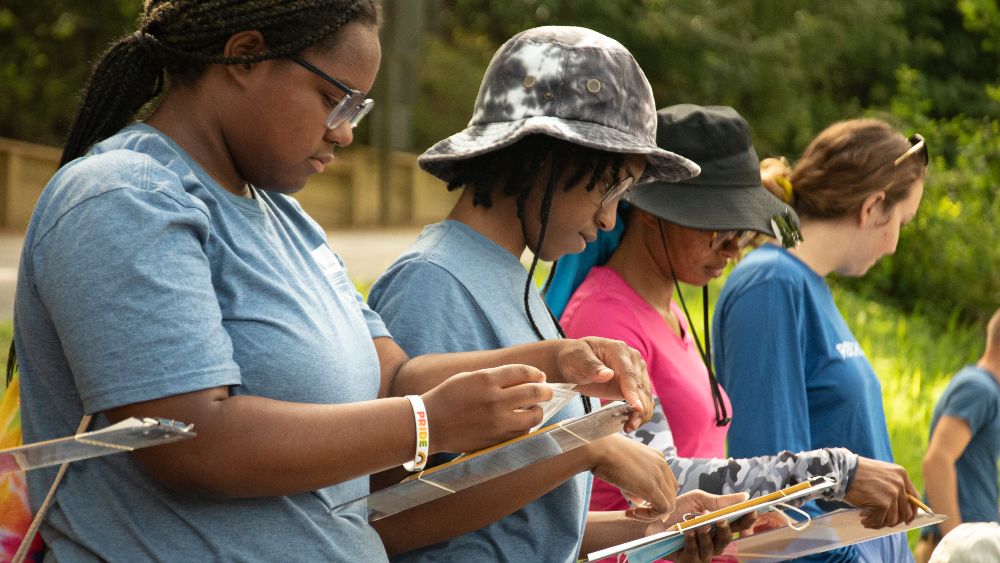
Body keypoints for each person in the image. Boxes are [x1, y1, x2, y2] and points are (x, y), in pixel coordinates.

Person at [12, 4, 663, 560]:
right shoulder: (125, 196)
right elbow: (188, 439)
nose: (346, 131)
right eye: (334, 98)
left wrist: (552, 359)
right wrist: (430, 422)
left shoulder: (289, 221)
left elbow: (393, 378)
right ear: (244, 57)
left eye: (359, 106)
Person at [369, 27, 753, 563]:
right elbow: (391, 520)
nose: (609, 218)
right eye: (609, 187)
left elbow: (529, 528)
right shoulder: (434, 283)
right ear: (542, 156)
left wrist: (660, 529)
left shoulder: (516, 287)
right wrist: (582, 447)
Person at [553, 105, 920, 532]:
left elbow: (698, 476)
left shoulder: (670, 313)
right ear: (655, 212)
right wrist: (833, 471)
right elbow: (659, 479)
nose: (732, 247)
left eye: (740, 227)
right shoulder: (606, 319)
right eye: (717, 226)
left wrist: (748, 512)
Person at [713, 118, 929, 562]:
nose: (893, 246)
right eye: (901, 223)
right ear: (872, 208)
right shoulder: (770, 285)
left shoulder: (807, 285)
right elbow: (773, 507)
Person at [917, 308, 1000, 561]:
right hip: (962, 551)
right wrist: (958, 547)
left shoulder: (988, 390)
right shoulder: (979, 389)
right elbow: (937, 461)